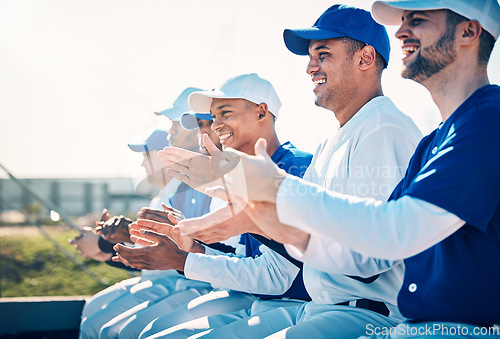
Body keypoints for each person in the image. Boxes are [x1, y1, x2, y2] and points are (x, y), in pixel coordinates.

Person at [192, 0, 500, 336]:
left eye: (418, 19)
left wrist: (278, 191)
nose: (400, 31)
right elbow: (373, 247)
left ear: (469, 30)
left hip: (424, 325)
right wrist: (265, 216)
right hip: (397, 323)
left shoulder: (484, 120)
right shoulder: (435, 140)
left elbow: (392, 234)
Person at [162, 5, 423, 338]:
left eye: (323, 54)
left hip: (368, 316)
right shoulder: (335, 138)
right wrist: (226, 189)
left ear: (366, 58)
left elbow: (368, 259)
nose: (310, 67)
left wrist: (251, 212)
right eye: (310, 57)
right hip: (326, 309)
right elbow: (301, 221)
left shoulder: (383, 128)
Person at [112, 73, 313, 339]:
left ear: (261, 112)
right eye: (211, 118)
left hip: (298, 306)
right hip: (262, 301)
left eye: (224, 113)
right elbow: (245, 259)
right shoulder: (237, 174)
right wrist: (192, 248)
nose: (214, 126)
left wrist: (184, 260)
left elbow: (277, 277)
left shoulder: (294, 167)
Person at [79, 88, 215, 339]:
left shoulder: (198, 187)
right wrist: (111, 245)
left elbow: (185, 251)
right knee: (95, 312)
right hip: (180, 279)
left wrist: (106, 245)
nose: (142, 163)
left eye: (147, 155)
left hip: (194, 283)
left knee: (121, 329)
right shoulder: (176, 192)